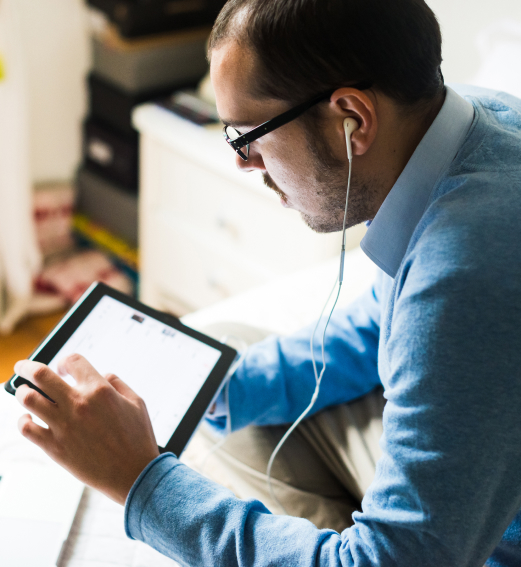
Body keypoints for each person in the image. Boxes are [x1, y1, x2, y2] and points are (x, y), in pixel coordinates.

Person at [12, 0, 521, 565]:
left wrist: (139, 481)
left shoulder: (463, 273)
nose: (243, 162)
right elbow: (384, 318)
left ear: (352, 118)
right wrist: (216, 386)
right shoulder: (478, 117)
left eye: (248, 135)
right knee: (228, 357)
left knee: (225, 439)